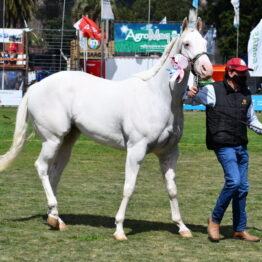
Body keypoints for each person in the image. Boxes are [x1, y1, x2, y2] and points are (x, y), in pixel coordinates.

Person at [184, 57, 262, 242]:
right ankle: (215, 220)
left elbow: (251, 120)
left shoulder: (246, 93)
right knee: (234, 182)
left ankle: (239, 229)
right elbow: (191, 99)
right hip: (223, 144)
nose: (245, 75)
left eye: (246, 71)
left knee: (242, 188)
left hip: (241, 145)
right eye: (241, 72)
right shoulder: (212, 90)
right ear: (230, 72)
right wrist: (189, 92)